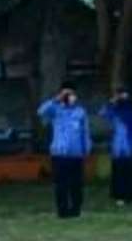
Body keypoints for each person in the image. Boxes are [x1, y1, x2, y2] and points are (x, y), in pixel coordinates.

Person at [38, 83, 91, 219]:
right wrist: (56, 99)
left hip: (76, 153)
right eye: (67, 94)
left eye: (71, 94)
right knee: (61, 184)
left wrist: (87, 148)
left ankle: (76, 209)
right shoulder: (55, 109)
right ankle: (63, 211)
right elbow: (41, 112)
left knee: (76, 184)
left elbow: (85, 131)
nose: (69, 97)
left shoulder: (80, 111)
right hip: (59, 153)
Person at [99, 89, 132, 204]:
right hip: (119, 147)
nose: (123, 98)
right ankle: (120, 196)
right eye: (121, 96)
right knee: (120, 173)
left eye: (125, 96)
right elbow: (102, 113)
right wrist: (112, 101)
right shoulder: (115, 112)